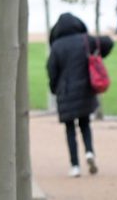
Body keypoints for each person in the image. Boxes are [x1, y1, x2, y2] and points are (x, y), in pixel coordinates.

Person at [43, 11, 112, 177]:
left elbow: (51, 71)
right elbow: (108, 42)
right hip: (85, 89)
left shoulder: (57, 46)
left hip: (65, 91)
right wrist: (97, 54)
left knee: (70, 129)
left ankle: (75, 165)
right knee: (85, 124)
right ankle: (89, 152)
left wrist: (54, 88)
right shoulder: (85, 40)